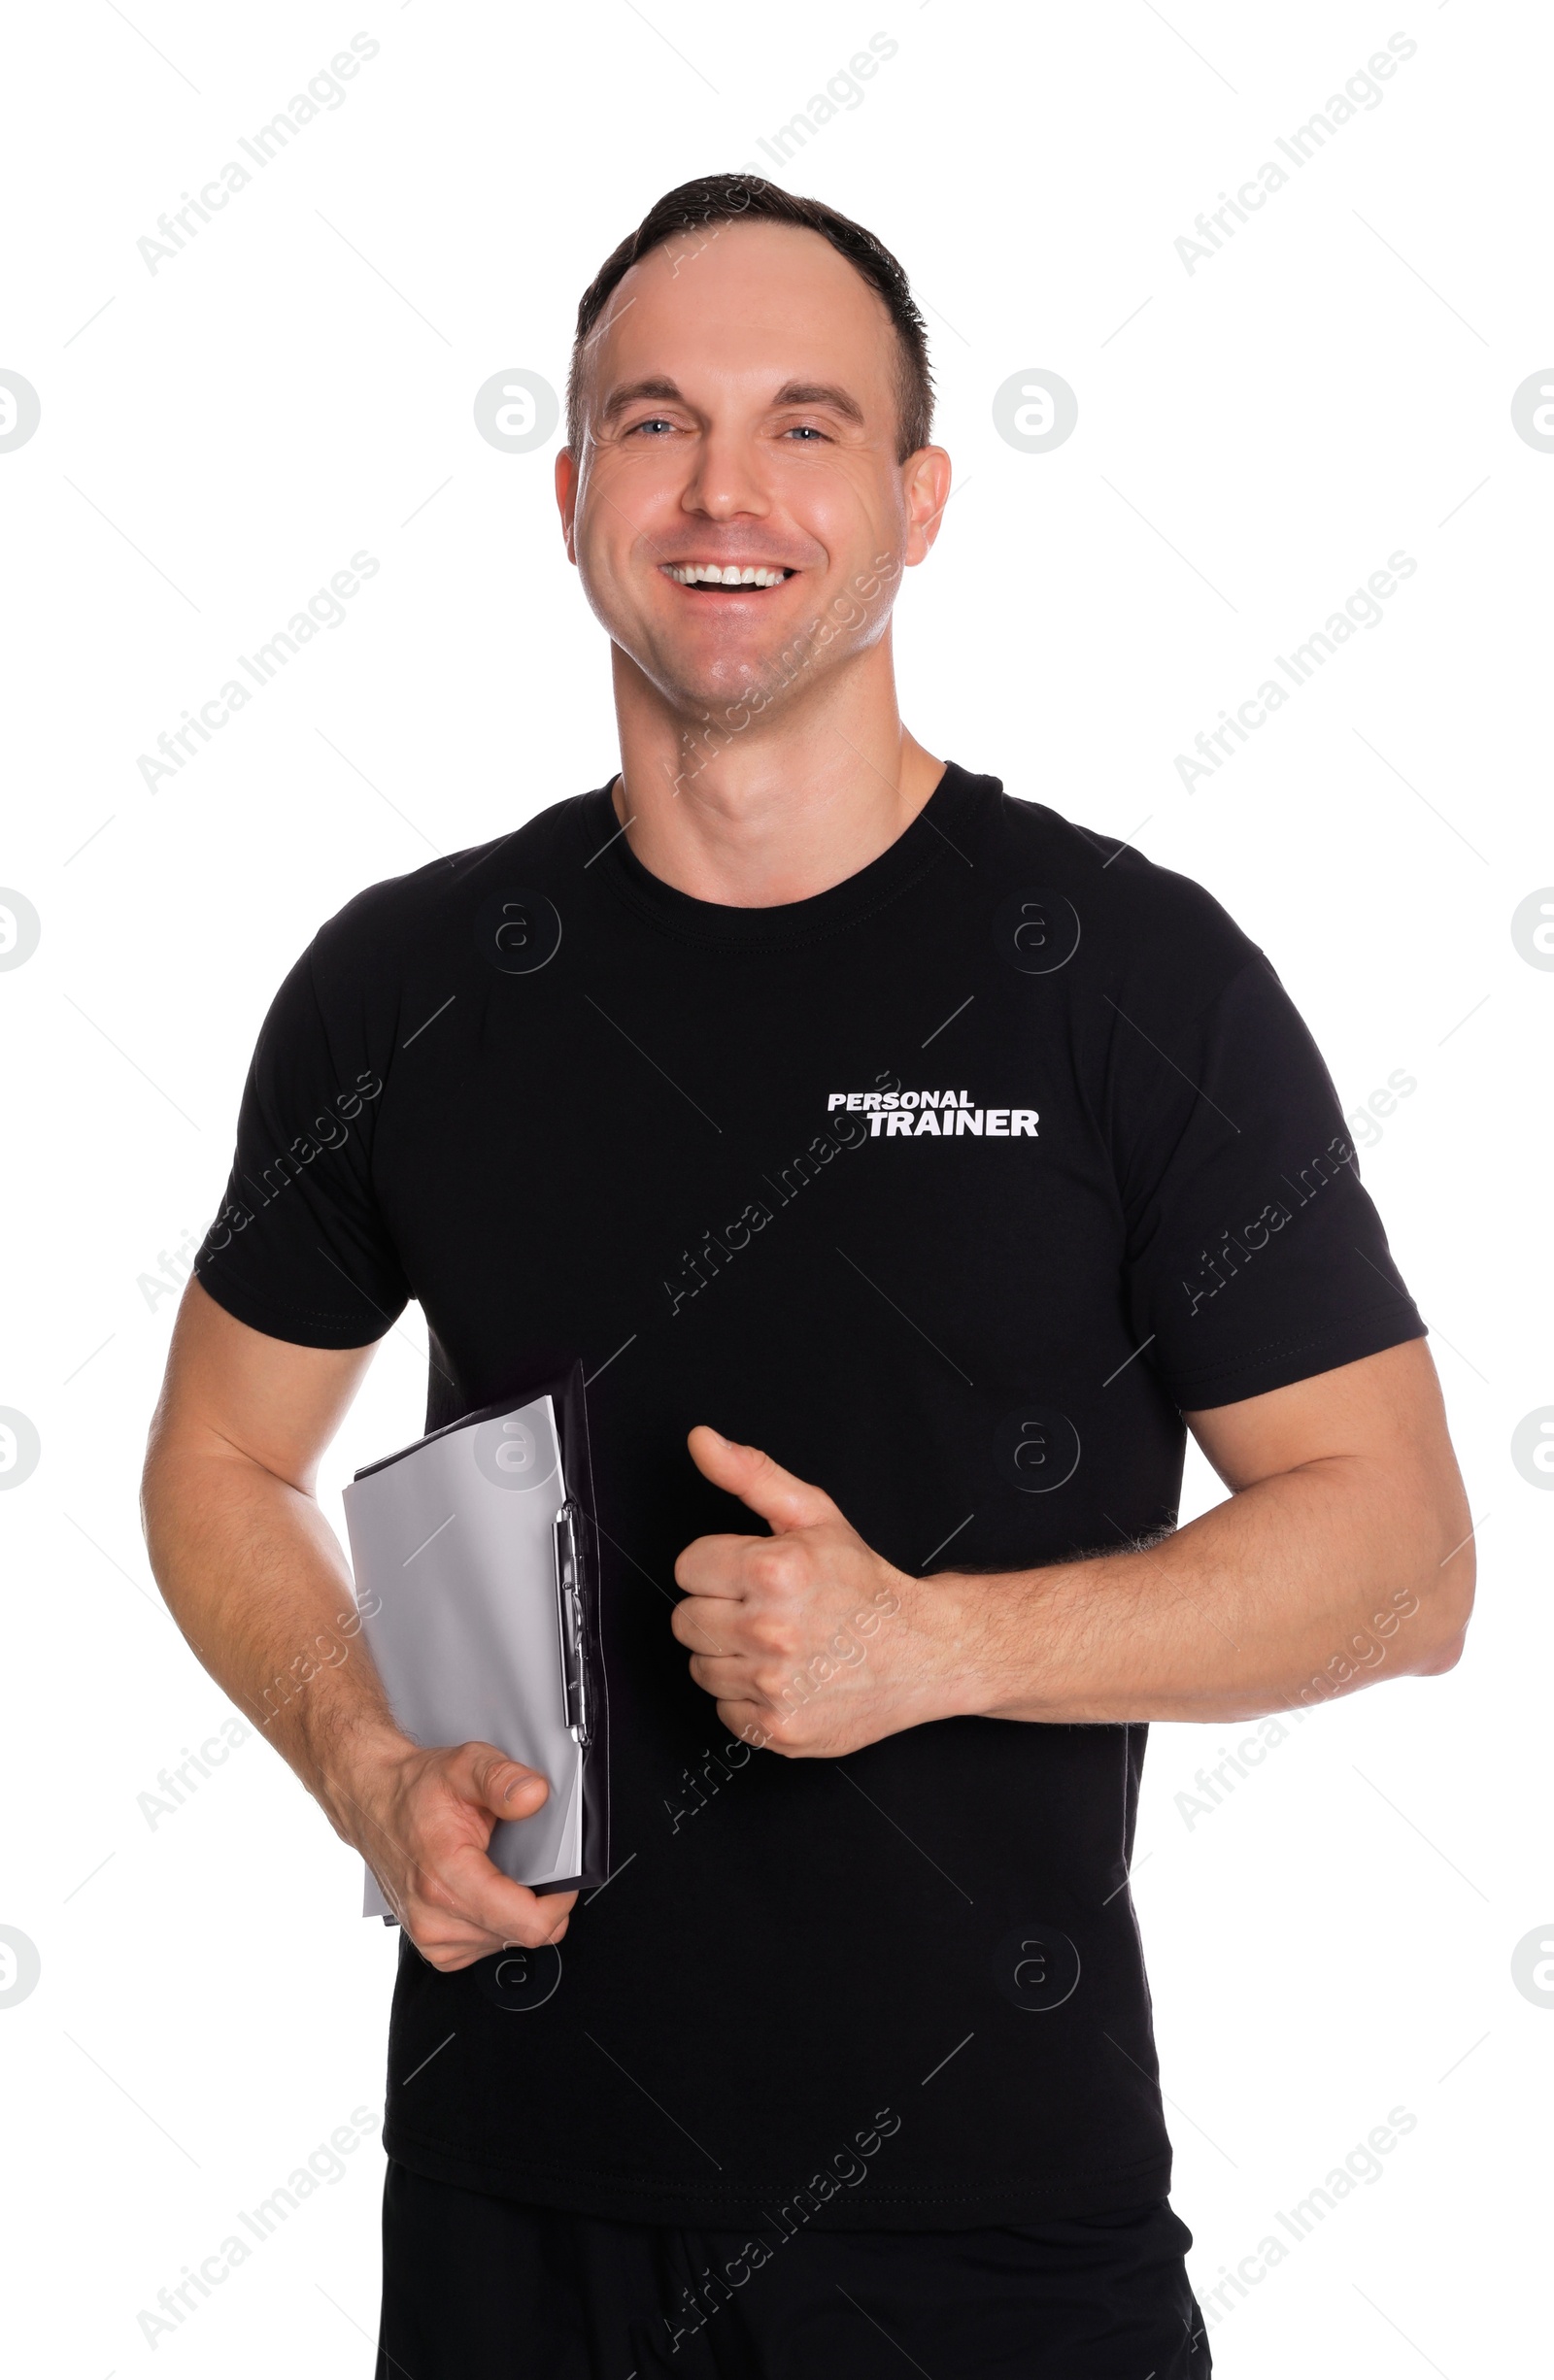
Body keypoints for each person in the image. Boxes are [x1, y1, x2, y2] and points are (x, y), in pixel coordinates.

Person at [141, 175, 1474, 2378]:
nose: (722, 490)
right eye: (654, 426)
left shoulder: (1124, 983)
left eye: (806, 425)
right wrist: (364, 1763)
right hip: (508, 2211)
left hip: (983, 2233)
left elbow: (1400, 1556)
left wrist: (926, 1643)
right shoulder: (407, 984)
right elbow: (214, 1447)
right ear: (572, 497)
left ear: (918, 498)